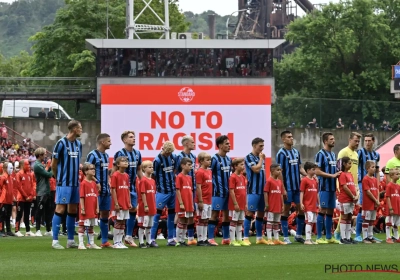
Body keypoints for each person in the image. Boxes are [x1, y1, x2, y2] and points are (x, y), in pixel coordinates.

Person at [50, 120, 83, 249]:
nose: (81, 130)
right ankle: (55, 241)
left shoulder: (79, 144)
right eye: (80, 128)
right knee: (60, 209)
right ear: (74, 129)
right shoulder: (61, 143)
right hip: (63, 182)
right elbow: (54, 164)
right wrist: (57, 177)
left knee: (73, 210)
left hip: (75, 182)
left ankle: (70, 240)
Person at [276, 131, 307, 244]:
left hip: (297, 187)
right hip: (287, 187)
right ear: (283, 139)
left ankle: (298, 235)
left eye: (292, 136)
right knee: (286, 210)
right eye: (289, 137)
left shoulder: (296, 152)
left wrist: (307, 175)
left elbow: (299, 167)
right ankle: (285, 237)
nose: (291, 138)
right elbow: (279, 172)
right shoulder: (281, 154)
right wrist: (283, 188)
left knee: (301, 209)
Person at [113, 131, 142, 247]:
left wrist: (144, 180)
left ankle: (128, 236)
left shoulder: (137, 153)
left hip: (133, 187)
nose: (133, 139)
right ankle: (117, 240)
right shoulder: (119, 153)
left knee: (133, 211)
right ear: (124, 140)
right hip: (122, 188)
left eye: (134, 137)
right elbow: (114, 170)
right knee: (120, 213)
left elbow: (139, 169)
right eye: (131, 137)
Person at [86, 133, 112, 248]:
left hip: (106, 190)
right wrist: (96, 182)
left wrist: (108, 182)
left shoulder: (106, 156)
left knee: (105, 214)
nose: (110, 143)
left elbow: (106, 172)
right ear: (102, 142)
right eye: (108, 141)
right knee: (91, 215)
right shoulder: (92, 155)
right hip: (95, 190)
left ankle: (104, 241)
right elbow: (86, 171)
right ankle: (89, 241)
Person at [314, 132, 341, 244]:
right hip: (324, 187)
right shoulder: (320, 154)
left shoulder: (333, 154)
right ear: (325, 141)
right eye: (331, 139)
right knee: (322, 210)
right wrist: (332, 175)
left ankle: (329, 237)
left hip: (332, 187)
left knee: (330, 211)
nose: (333, 141)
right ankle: (319, 237)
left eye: (334, 139)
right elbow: (317, 171)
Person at [334, 132, 360, 241]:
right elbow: (339, 167)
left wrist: (356, 188)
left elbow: (355, 171)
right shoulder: (344, 152)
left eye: (358, 141)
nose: (357, 143)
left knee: (349, 214)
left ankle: (347, 237)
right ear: (349, 140)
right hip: (344, 188)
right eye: (355, 140)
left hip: (352, 186)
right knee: (344, 214)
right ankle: (339, 234)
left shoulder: (356, 154)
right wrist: (339, 187)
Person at [150, 141, 176, 247]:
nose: (168, 155)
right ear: (163, 149)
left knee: (171, 215)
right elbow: (153, 175)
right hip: (162, 191)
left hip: (172, 191)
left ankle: (170, 239)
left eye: (170, 153)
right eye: (167, 153)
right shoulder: (157, 160)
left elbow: (175, 170)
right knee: (156, 215)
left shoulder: (173, 157)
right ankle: (151, 239)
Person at [355, 133, 380, 242]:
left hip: (373, 184)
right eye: (365, 140)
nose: (367, 143)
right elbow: (355, 167)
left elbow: (378, 171)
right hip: (363, 183)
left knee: (372, 209)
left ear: (373, 141)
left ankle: (369, 235)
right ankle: (358, 234)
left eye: (369, 140)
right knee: (363, 208)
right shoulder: (360, 153)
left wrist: (377, 184)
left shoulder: (376, 155)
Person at [243, 137, 268, 245]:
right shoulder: (249, 157)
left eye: (263, 145)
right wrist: (262, 160)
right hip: (253, 189)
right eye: (260, 146)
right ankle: (245, 238)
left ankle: (259, 237)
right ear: (254, 146)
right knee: (249, 213)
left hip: (262, 190)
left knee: (261, 214)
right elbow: (256, 170)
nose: (262, 148)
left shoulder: (260, 157)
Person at [208, 135, 232, 246]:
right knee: (215, 214)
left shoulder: (228, 159)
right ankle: (210, 238)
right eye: (227, 143)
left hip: (228, 192)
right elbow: (208, 174)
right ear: (220, 145)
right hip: (217, 191)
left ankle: (226, 238)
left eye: (229, 143)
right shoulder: (214, 159)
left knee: (226, 215)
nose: (229, 145)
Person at [174, 135, 197, 245]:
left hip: (190, 191)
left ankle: (189, 238)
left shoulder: (193, 156)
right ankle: (178, 239)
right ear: (186, 143)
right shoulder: (179, 156)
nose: (194, 143)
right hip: (182, 194)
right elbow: (176, 172)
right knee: (181, 218)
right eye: (192, 142)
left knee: (189, 217)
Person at [78, 163, 101, 250]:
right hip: (86, 208)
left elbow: (96, 196)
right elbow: (82, 197)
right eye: (91, 169)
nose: (93, 170)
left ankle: (91, 243)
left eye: (94, 168)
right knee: (82, 226)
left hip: (93, 208)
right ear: (86, 172)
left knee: (91, 226)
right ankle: (81, 244)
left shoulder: (94, 183)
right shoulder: (83, 183)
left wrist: (97, 207)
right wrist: (83, 208)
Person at [110, 156, 131, 249]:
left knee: (123, 222)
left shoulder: (126, 175)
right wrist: (116, 203)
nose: (125, 162)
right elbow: (113, 190)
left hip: (125, 202)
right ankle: (116, 242)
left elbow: (127, 189)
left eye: (126, 161)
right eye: (123, 161)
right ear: (118, 164)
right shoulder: (115, 175)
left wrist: (129, 202)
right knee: (118, 221)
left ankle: (120, 241)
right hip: (118, 203)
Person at [337, 157, 358, 244]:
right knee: (344, 217)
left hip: (351, 199)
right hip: (345, 199)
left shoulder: (350, 174)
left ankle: (348, 237)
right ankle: (343, 237)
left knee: (349, 217)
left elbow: (353, 186)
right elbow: (345, 187)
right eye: (349, 163)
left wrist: (355, 196)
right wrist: (353, 196)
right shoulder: (342, 174)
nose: (351, 165)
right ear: (344, 164)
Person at [264, 163, 286, 245]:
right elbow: (265, 192)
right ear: (272, 171)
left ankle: (276, 239)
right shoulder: (269, 181)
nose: (280, 172)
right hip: (271, 205)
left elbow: (280, 194)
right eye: (278, 170)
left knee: (277, 222)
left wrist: (283, 204)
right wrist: (266, 204)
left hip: (278, 205)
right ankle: (269, 239)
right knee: (270, 222)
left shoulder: (280, 182)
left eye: (280, 170)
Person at [34, 148, 54, 236]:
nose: (45, 156)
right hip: (41, 191)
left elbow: (47, 173)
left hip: (46, 190)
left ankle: (48, 229)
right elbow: (48, 175)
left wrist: (50, 167)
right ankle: (37, 229)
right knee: (40, 210)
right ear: (40, 155)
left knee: (48, 211)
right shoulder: (37, 165)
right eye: (44, 154)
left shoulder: (41, 164)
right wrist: (52, 167)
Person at [175, 157, 194, 247]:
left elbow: (190, 191)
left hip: (189, 202)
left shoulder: (189, 177)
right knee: (181, 220)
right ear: (182, 166)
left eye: (191, 165)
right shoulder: (179, 176)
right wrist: (181, 203)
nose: (191, 167)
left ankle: (183, 240)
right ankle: (178, 240)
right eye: (189, 165)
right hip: (182, 203)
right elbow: (178, 190)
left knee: (186, 221)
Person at [137, 160, 157, 249]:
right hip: (145, 206)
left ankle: (149, 241)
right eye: (149, 167)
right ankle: (141, 242)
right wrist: (145, 205)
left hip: (152, 206)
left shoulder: (152, 180)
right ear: (144, 169)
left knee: (149, 225)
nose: (151, 168)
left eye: (152, 167)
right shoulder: (143, 180)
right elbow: (143, 193)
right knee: (142, 225)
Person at [228, 158, 247, 246]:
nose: (243, 166)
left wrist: (246, 203)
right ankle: (232, 240)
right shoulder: (232, 177)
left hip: (242, 203)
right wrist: (235, 203)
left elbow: (244, 191)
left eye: (243, 164)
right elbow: (231, 191)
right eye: (241, 164)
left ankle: (239, 239)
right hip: (235, 204)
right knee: (234, 221)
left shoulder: (243, 177)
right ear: (235, 166)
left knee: (240, 221)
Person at [300, 162, 320, 245]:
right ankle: (307, 239)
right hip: (307, 204)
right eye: (313, 169)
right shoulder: (304, 180)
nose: (315, 171)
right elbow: (301, 192)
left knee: (312, 222)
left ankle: (310, 239)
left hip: (313, 205)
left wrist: (319, 203)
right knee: (309, 221)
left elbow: (317, 192)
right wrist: (301, 203)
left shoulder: (315, 180)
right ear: (308, 170)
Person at [195, 152, 212, 246]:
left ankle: (205, 239)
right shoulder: (199, 172)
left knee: (206, 219)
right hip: (202, 200)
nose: (209, 162)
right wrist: (200, 201)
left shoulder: (209, 171)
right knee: (201, 219)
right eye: (207, 160)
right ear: (201, 161)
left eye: (210, 160)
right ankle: (200, 239)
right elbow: (198, 187)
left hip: (209, 200)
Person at [15, 159, 35, 237]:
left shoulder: (29, 174)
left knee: (27, 214)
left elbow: (32, 185)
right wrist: (26, 196)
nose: (29, 166)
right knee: (19, 214)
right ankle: (17, 230)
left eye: (29, 165)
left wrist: (31, 195)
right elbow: (19, 187)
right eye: (27, 164)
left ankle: (28, 230)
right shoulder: (19, 174)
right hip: (21, 198)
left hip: (28, 198)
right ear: (23, 165)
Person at [361, 160, 380, 243]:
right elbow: (368, 192)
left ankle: (370, 236)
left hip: (374, 203)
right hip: (368, 203)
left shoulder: (375, 179)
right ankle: (365, 238)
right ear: (367, 169)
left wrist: (378, 200)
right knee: (367, 220)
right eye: (372, 167)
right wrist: (376, 200)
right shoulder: (365, 179)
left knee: (372, 220)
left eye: (375, 167)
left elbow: (378, 190)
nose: (374, 168)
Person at [385, 168, 400, 244]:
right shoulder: (389, 186)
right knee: (389, 222)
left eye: (399, 174)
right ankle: (388, 237)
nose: (399, 175)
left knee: (397, 223)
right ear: (391, 176)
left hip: (397, 208)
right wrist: (390, 208)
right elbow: (387, 197)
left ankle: (397, 237)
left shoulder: (398, 186)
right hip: (391, 208)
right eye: (397, 174)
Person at [0, 162, 15, 236]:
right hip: (4, 200)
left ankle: (8, 230)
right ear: (5, 168)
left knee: (8, 216)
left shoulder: (11, 178)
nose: (12, 170)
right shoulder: (2, 177)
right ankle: (1, 230)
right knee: (2, 215)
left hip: (9, 200)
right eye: (10, 168)